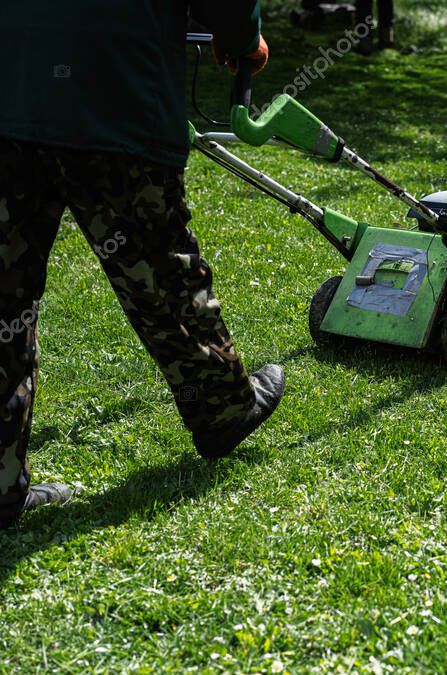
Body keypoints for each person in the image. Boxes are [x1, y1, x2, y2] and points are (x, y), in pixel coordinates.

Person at [0, 1, 285, 529]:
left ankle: (0, 480)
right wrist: (242, 37)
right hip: (114, 89)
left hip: (12, 84)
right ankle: (222, 405)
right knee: (157, 266)